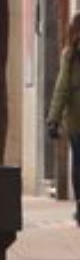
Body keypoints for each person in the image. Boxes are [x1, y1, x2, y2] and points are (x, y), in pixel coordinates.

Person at [48, 12, 80, 227]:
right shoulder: (70, 55)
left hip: (77, 120)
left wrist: (54, 119)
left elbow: (61, 88)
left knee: (78, 163)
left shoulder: (70, 54)